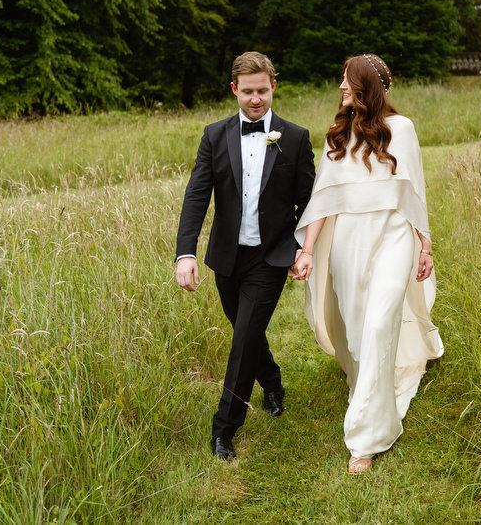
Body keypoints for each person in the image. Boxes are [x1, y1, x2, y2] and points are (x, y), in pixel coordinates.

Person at [293, 53, 443, 474]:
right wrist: (306, 251)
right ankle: (367, 389)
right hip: (349, 241)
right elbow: (321, 200)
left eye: (348, 82)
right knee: (358, 329)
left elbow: (415, 192)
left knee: (379, 322)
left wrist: (425, 246)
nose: (341, 88)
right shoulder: (337, 136)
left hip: (394, 238)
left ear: (368, 88)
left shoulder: (402, 130)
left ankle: (366, 438)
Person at [174, 51, 316, 461]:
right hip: (226, 258)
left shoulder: (294, 137)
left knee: (241, 342)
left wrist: (303, 248)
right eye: (248, 91)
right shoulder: (214, 136)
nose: (256, 99)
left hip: (270, 259)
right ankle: (271, 380)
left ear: (274, 87)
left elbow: (308, 202)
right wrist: (186, 253)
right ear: (235, 90)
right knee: (246, 332)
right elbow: (197, 195)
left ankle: (225, 429)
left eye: (263, 90)